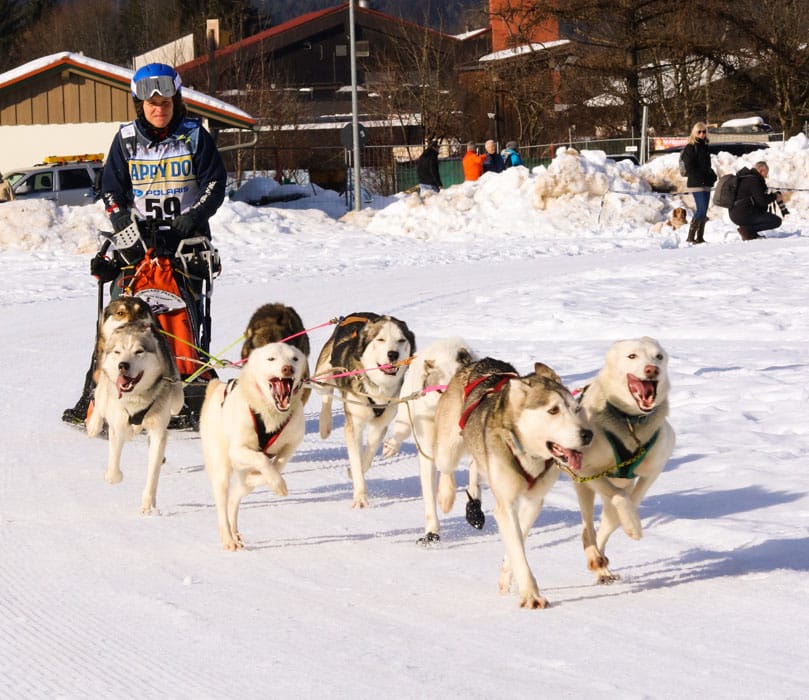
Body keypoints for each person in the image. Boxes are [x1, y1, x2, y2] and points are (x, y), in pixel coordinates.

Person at [62, 62, 227, 425]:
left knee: (185, 318)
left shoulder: (194, 136)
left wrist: (195, 215)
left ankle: (189, 394)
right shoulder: (124, 139)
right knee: (120, 322)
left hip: (185, 241)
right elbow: (111, 187)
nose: (159, 108)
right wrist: (120, 217)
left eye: (165, 101)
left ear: (176, 101)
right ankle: (98, 399)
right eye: (151, 103)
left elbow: (215, 184)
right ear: (140, 105)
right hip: (137, 244)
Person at [681, 121, 717, 244]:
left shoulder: (705, 147)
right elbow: (690, 167)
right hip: (696, 183)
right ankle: (691, 236)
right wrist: (701, 177)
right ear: (694, 133)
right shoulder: (690, 147)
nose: (702, 134)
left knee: (704, 210)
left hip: (706, 183)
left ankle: (700, 237)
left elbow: (707, 166)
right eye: (699, 132)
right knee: (701, 210)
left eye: (704, 131)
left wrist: (712, 175)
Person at [729, 161, 784, 240]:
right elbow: (762, 201)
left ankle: (749, 233)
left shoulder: (745, 177)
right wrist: (775, 196)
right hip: (744, 214)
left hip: (735, 213)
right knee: (776, 221)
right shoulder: (754, 181)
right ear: (761, 171)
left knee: (763, 215)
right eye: (766, 173)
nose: (766, 176)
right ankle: (747, 230)